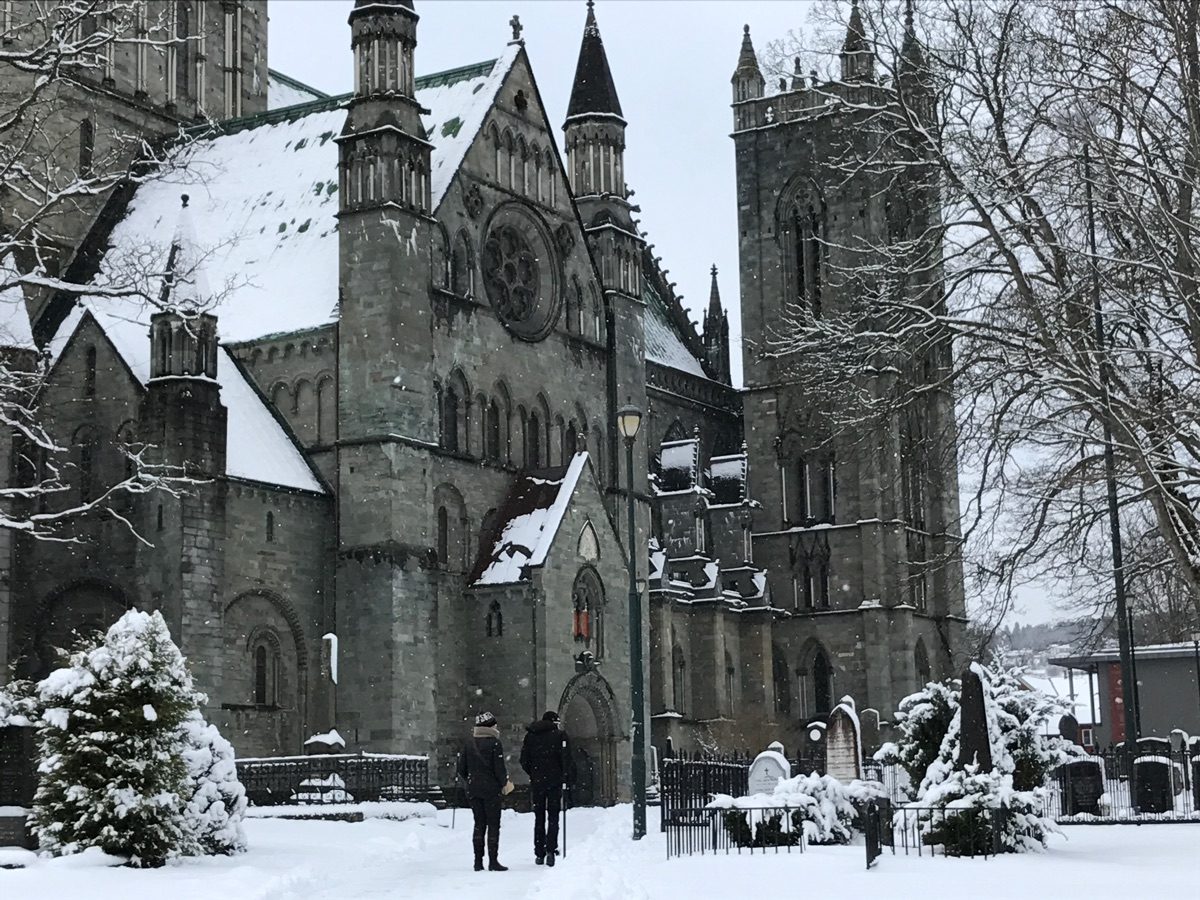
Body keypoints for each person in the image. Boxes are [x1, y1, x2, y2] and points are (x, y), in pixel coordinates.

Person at [519, 709, 577, 866]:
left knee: (539, 817)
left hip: (537, 782)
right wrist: (565, 776)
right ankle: (551, 849)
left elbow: (524, 759)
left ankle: (539, 852)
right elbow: (566, 759)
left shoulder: (530, 736)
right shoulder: (560, 736)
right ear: (554, 722)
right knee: (553, 816)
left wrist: (533, 773)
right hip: (554, 782)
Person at [456, 711, 510, 872]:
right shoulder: (494, 743)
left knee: (479, 824)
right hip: (491, 790)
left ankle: (477, 861)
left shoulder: (469, 743)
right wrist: (503, 783)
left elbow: (461, 768)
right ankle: (493, 861)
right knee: (493, 824)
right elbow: (499, 769)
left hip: (474, 789)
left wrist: (472, 780)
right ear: (490, 726)